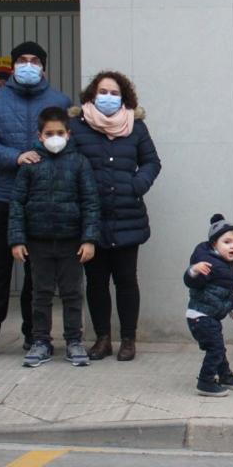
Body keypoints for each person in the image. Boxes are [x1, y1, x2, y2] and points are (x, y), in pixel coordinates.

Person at [0, 40, 72, 361]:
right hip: (2, 196)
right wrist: (15, 157)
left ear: (43, 67)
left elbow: (69, 144)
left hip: (42, 200)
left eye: (34, 60)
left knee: (38, 272)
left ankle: (34, 334)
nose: (28, 65)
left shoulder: (59, 101)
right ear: (13, 66)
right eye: (22, 60)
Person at [68, 70, 162, 362]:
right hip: (91, 219)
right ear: (92, 95)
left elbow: (152, 162)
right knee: (96, 282)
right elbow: (67, 162)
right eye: (103, 92)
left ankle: (128, 339)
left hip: (127, 216)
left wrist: (137, 185)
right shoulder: (77, 126)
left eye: (114, 93)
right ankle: (102, 339)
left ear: (124, 98)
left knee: (126, 280)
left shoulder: (136, 127)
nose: (108, 97)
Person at [8, 107, 100, 368]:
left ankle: (74, 341)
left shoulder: (80, 163)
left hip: (72, 242)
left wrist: (89, 239)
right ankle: (40, 341)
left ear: (68, 134)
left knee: (72, 293)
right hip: (38, 242)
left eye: (60, 132)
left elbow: (90, 202)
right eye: (49, 133)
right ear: (40, 136)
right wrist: (17, 239)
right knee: (41, 294)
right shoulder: (30, 165)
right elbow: (17, 203)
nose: (55, 137)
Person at [185, 214, 233, 397]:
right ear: (214, 244)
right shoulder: (207, 264)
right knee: (215, 349)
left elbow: (226, 293)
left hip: (211, 316)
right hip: (200, 316)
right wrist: (193, 271)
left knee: (218, 347)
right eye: (227, 242)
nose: (232, 246)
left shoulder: (228, 267)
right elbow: (192, 283)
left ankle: (225, 376)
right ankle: (205, 381)